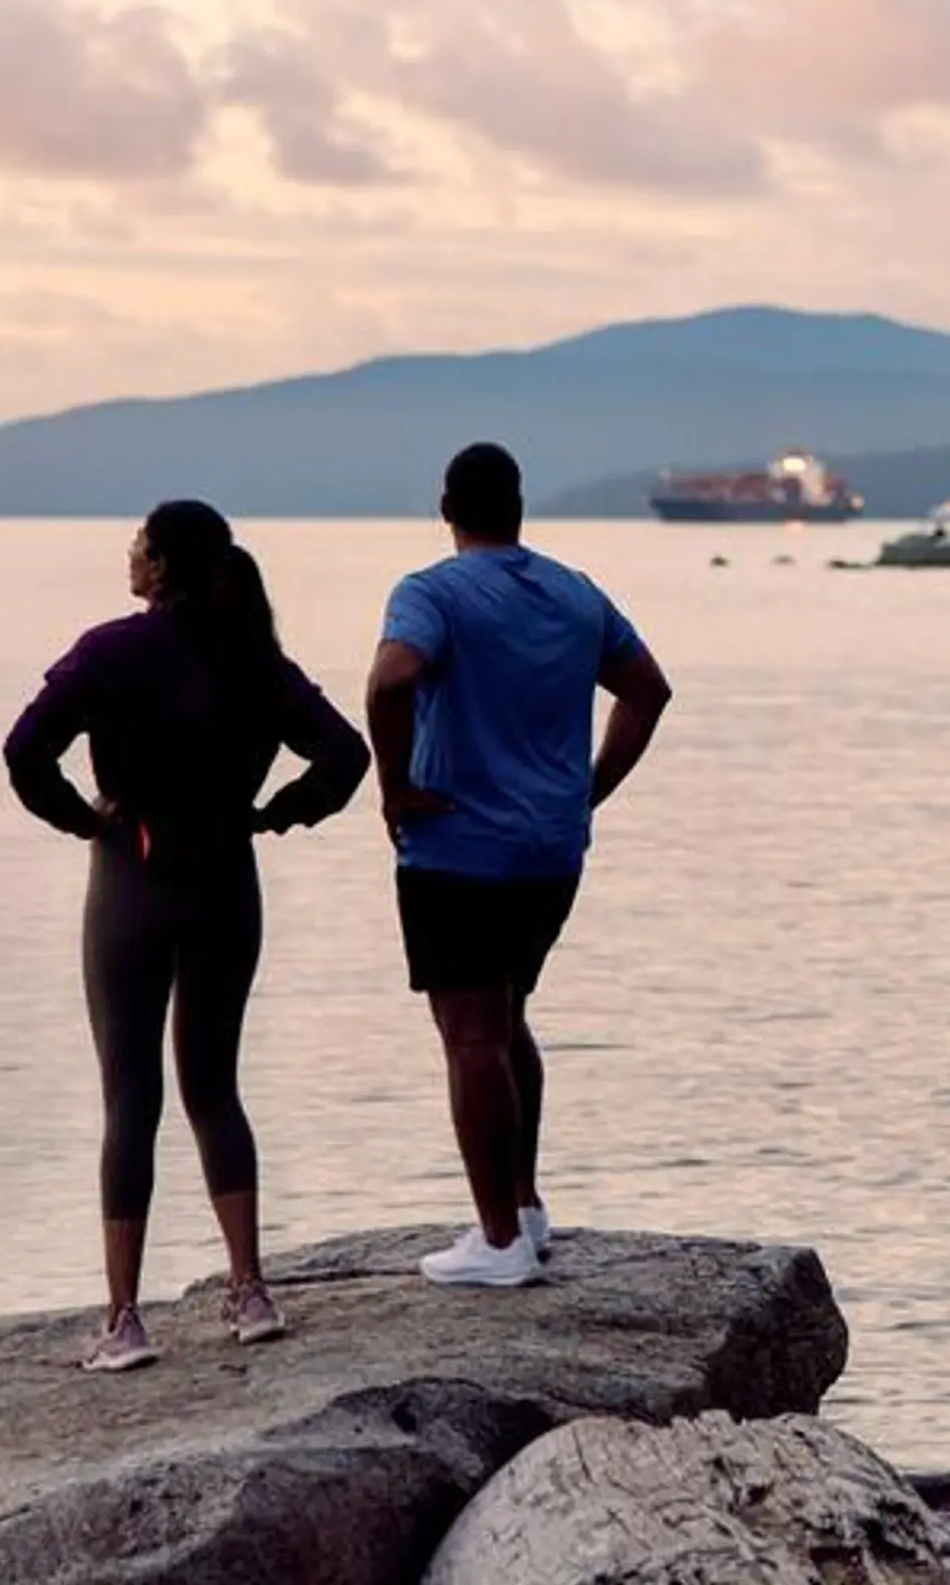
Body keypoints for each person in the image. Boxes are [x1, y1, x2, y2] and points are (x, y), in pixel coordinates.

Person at [5, 499, 369, 1370]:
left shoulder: (108, 652)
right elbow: (345, 755)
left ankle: (124, 1321)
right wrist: (277, 814)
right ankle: (249, 1292)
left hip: (130, 882)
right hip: (224, 884)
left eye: (139, 541)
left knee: (131, 1099)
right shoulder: (252, 659)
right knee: (215, 1088)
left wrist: (82, 822)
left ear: (160, 564)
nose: (129, 551)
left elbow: (25, 752)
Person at [369, 441, 671, 1288]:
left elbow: (392, 681)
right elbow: (649, 690)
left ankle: (499, 1241)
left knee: (470, 1037)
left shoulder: (431, 593)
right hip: (549, 853)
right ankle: (526, 1208)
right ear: (518, 507)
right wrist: (585, 792)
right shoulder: (575, 593)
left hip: (459, 849)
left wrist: (395, 788)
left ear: (446, 508)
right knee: (505, 1022)